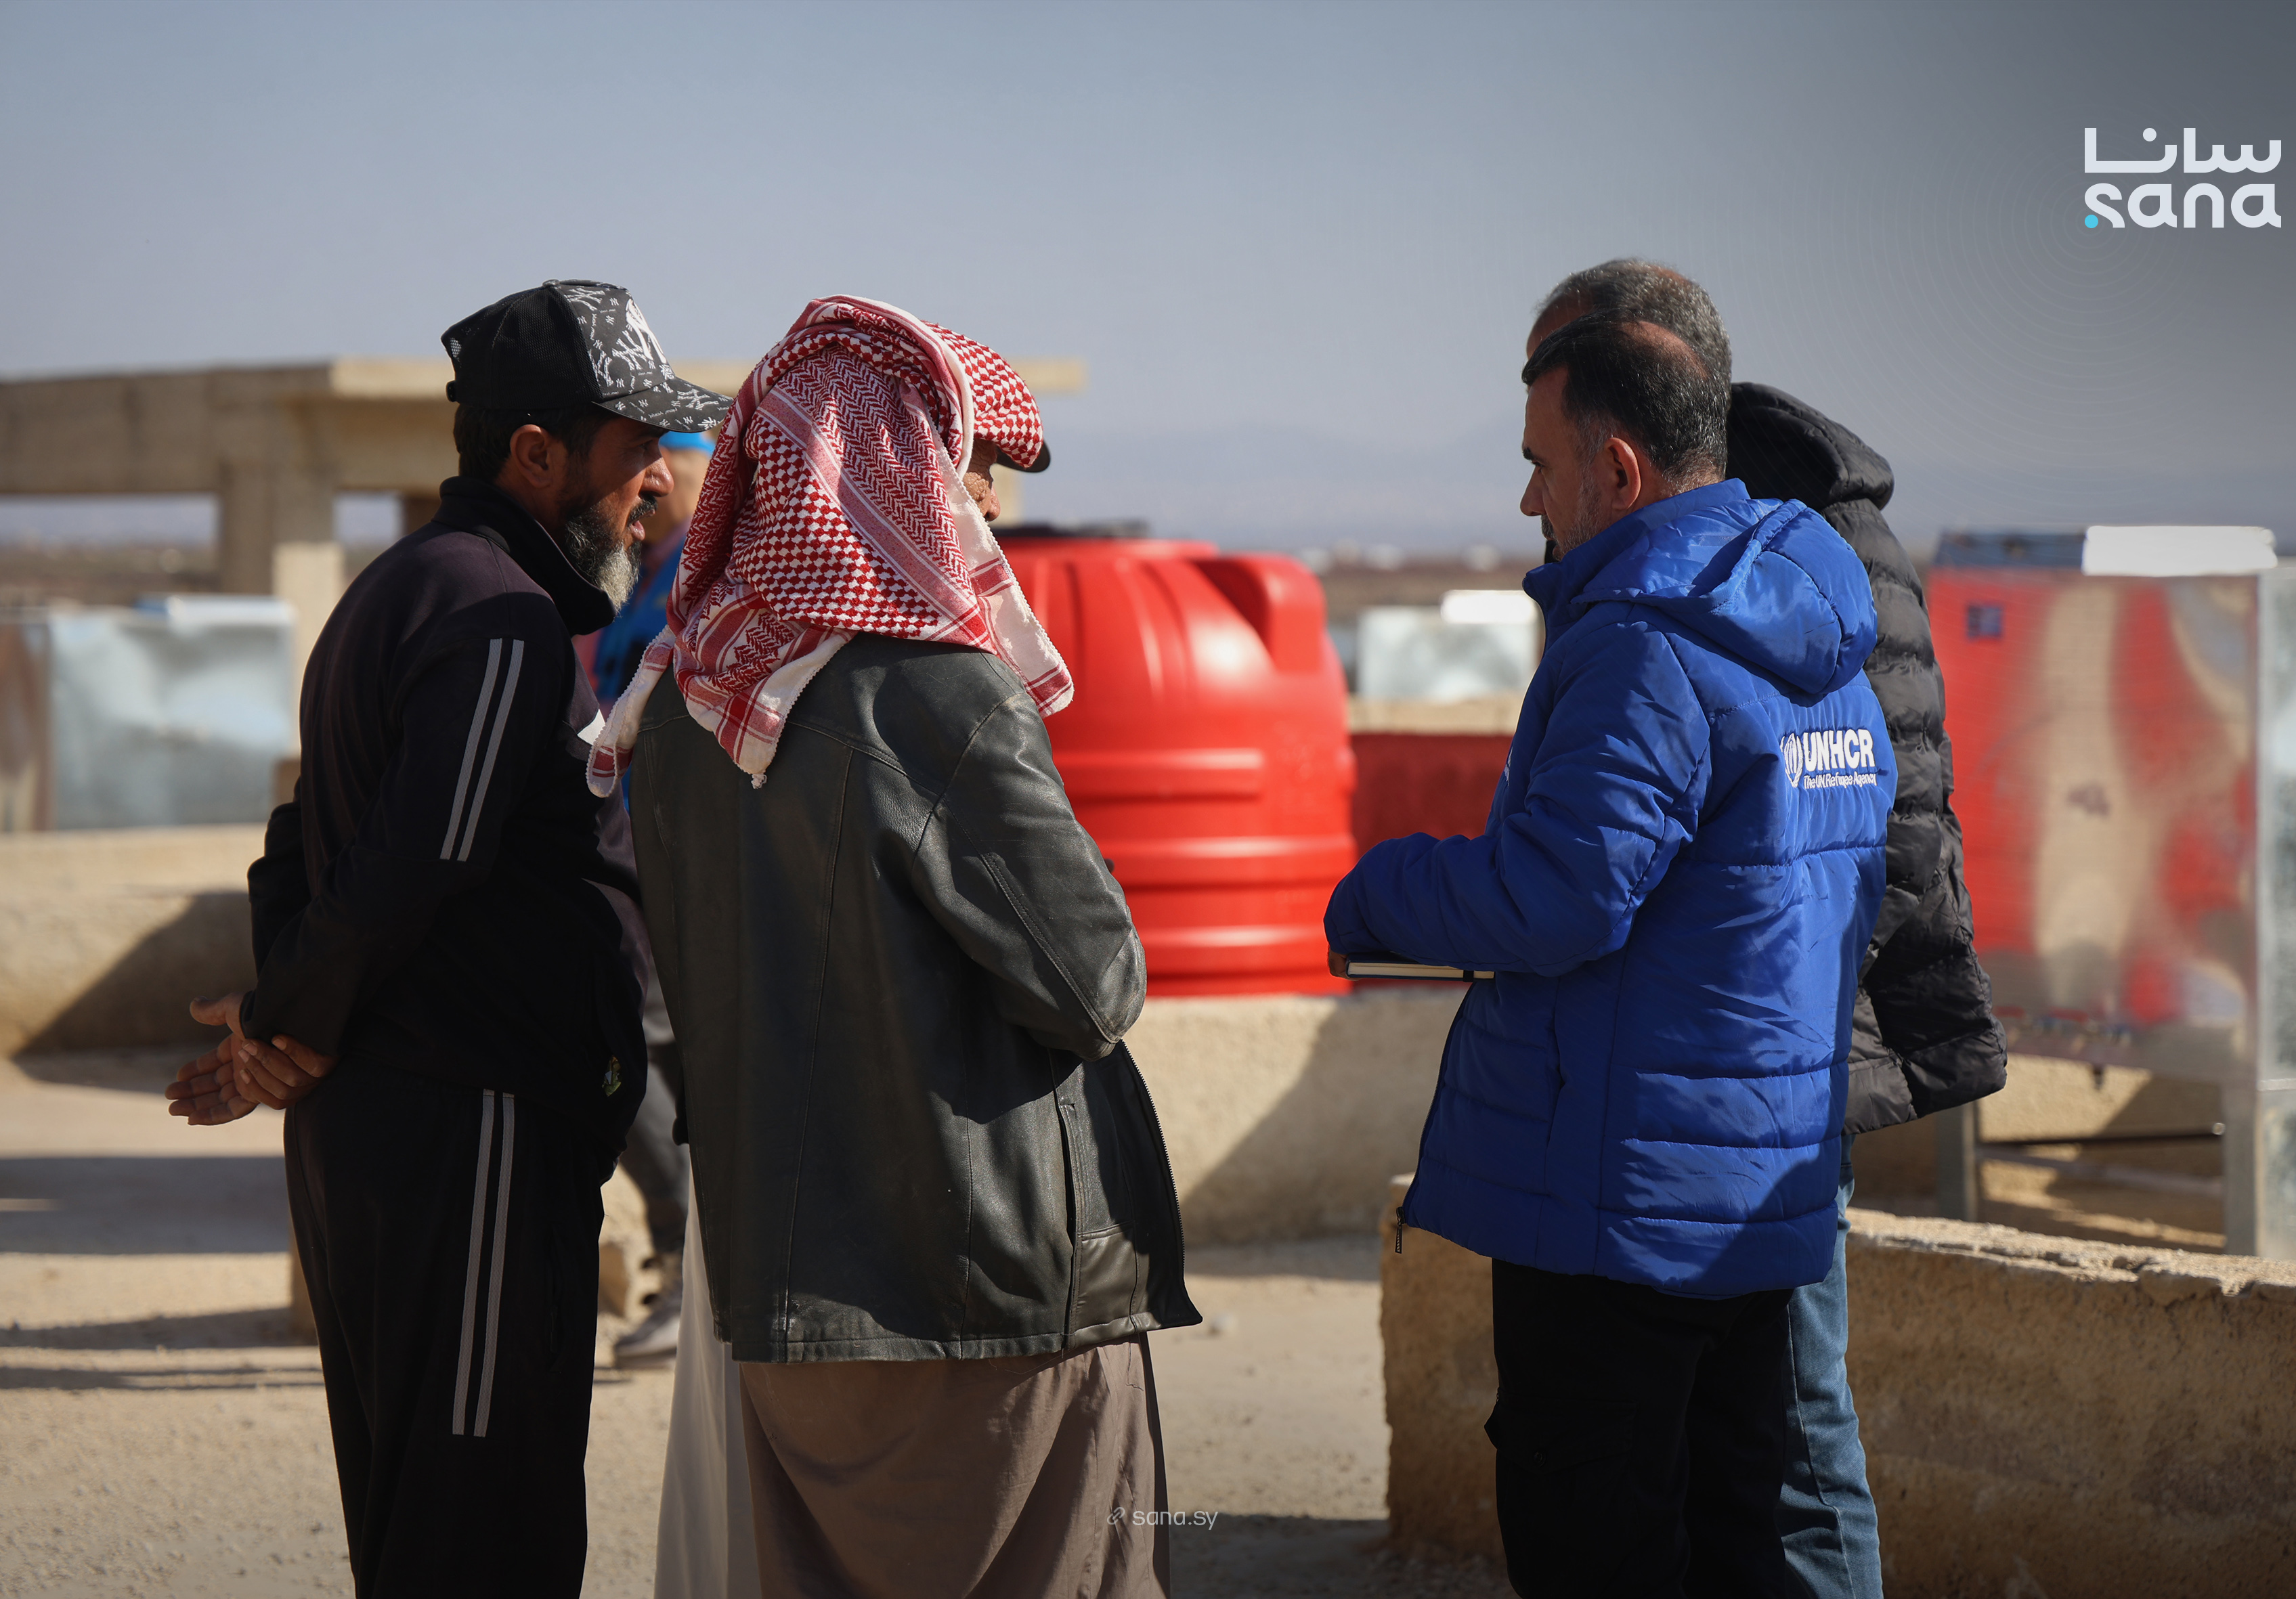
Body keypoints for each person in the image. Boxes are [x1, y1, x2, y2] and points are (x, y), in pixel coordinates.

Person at [587, 294, 1196, 1598]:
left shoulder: (685, 703)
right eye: (968, 465)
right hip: (977, 1297)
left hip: (781, 1296)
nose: (988, 504)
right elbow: (1094, 984)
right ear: (893, 471)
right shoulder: (933, 690)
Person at [166, 279, 727, 1596]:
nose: (659, 478)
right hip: (468, 1141)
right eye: (635, 445)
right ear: (536, 453)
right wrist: (289, 1027)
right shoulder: (501, 622)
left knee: (428, 1524)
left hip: (423, 1133)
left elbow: (301, 836)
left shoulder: (414, 588)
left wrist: (284, 1016)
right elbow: (417, 856)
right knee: (482, 1537)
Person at [1325, 311, 1893, 1595]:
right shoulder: (1821, 638)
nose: (1529, 498)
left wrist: (1380, 890)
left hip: (1622, 1210)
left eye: (1540, 462)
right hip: (1759, 1196)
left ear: (1619, 469)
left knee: (1598, 1539)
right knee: (1748, 1537)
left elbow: (1558, 897)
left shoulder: (1647, 643)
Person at [1530, 260, 2009, 1599]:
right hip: (1747, 1056)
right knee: (1742, 1444)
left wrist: (1768, 1006)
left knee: (1790, 1438)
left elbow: (1886, 824)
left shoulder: (1792, 545)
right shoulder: (1752, 534)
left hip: (1776, 1059)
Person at [591, 427, 714, 1366]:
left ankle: (689, 1261)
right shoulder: (643, 575)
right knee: (644, 1056)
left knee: (623, 1047)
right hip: (624, 852)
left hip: (673, 857)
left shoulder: (698, 579)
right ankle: (695, 1266)